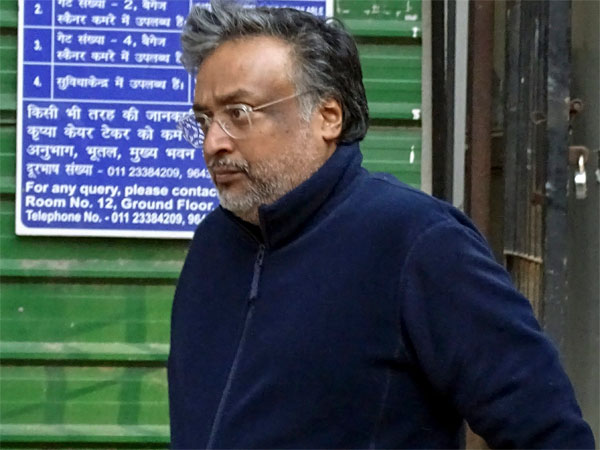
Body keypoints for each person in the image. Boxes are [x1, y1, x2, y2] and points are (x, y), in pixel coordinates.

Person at [168, 1, 595, 448]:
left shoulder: (416, 241)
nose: (213, 143)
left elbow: (548, 432)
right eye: (204, 120)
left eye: (239, 113)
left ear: (328, 117)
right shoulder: (213, 244)